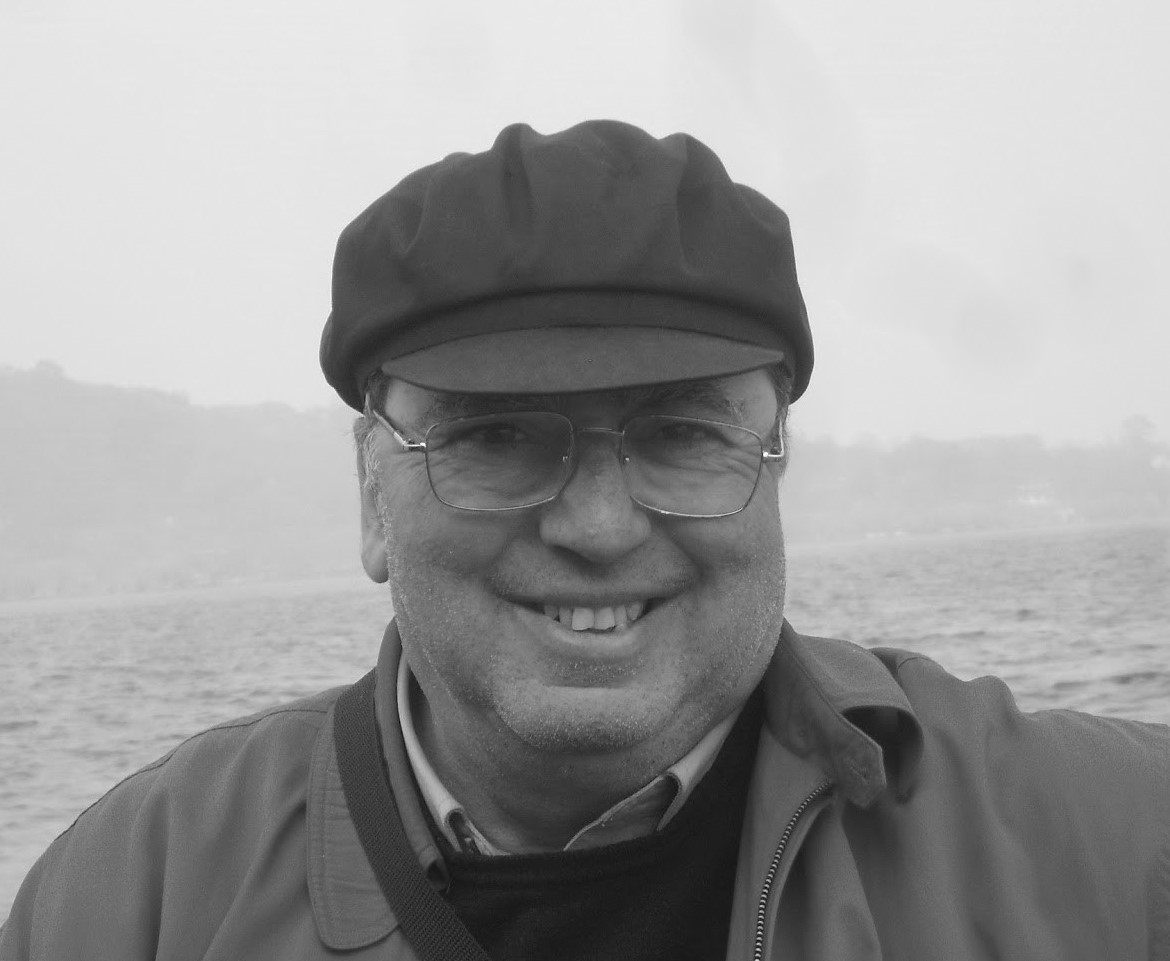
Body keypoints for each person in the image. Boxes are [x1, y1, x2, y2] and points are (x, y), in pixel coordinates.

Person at [1, 120, 1167, 961]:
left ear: (774, 463)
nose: (600, 526)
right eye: (497, 436)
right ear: (371, 493)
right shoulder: (128, 903)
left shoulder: (1113, 848)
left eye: (682, 433)